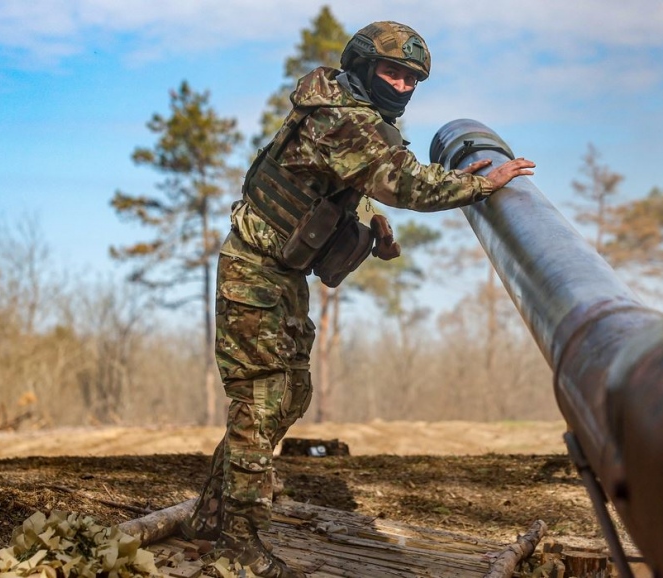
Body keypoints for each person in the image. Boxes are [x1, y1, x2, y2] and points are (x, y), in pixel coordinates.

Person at [181, 21, 536, 578]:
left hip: (280, 277)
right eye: (392, 72)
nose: (402, 85)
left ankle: (211, 518)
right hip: (253, 272)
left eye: (413, 78)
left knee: (290, 396)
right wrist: (480, 184)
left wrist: (370, 227)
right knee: (262, 400)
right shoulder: (342, 117)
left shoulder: (347, 113)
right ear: (364, 67)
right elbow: (405, 183)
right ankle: (238, 543)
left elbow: (335, 184)